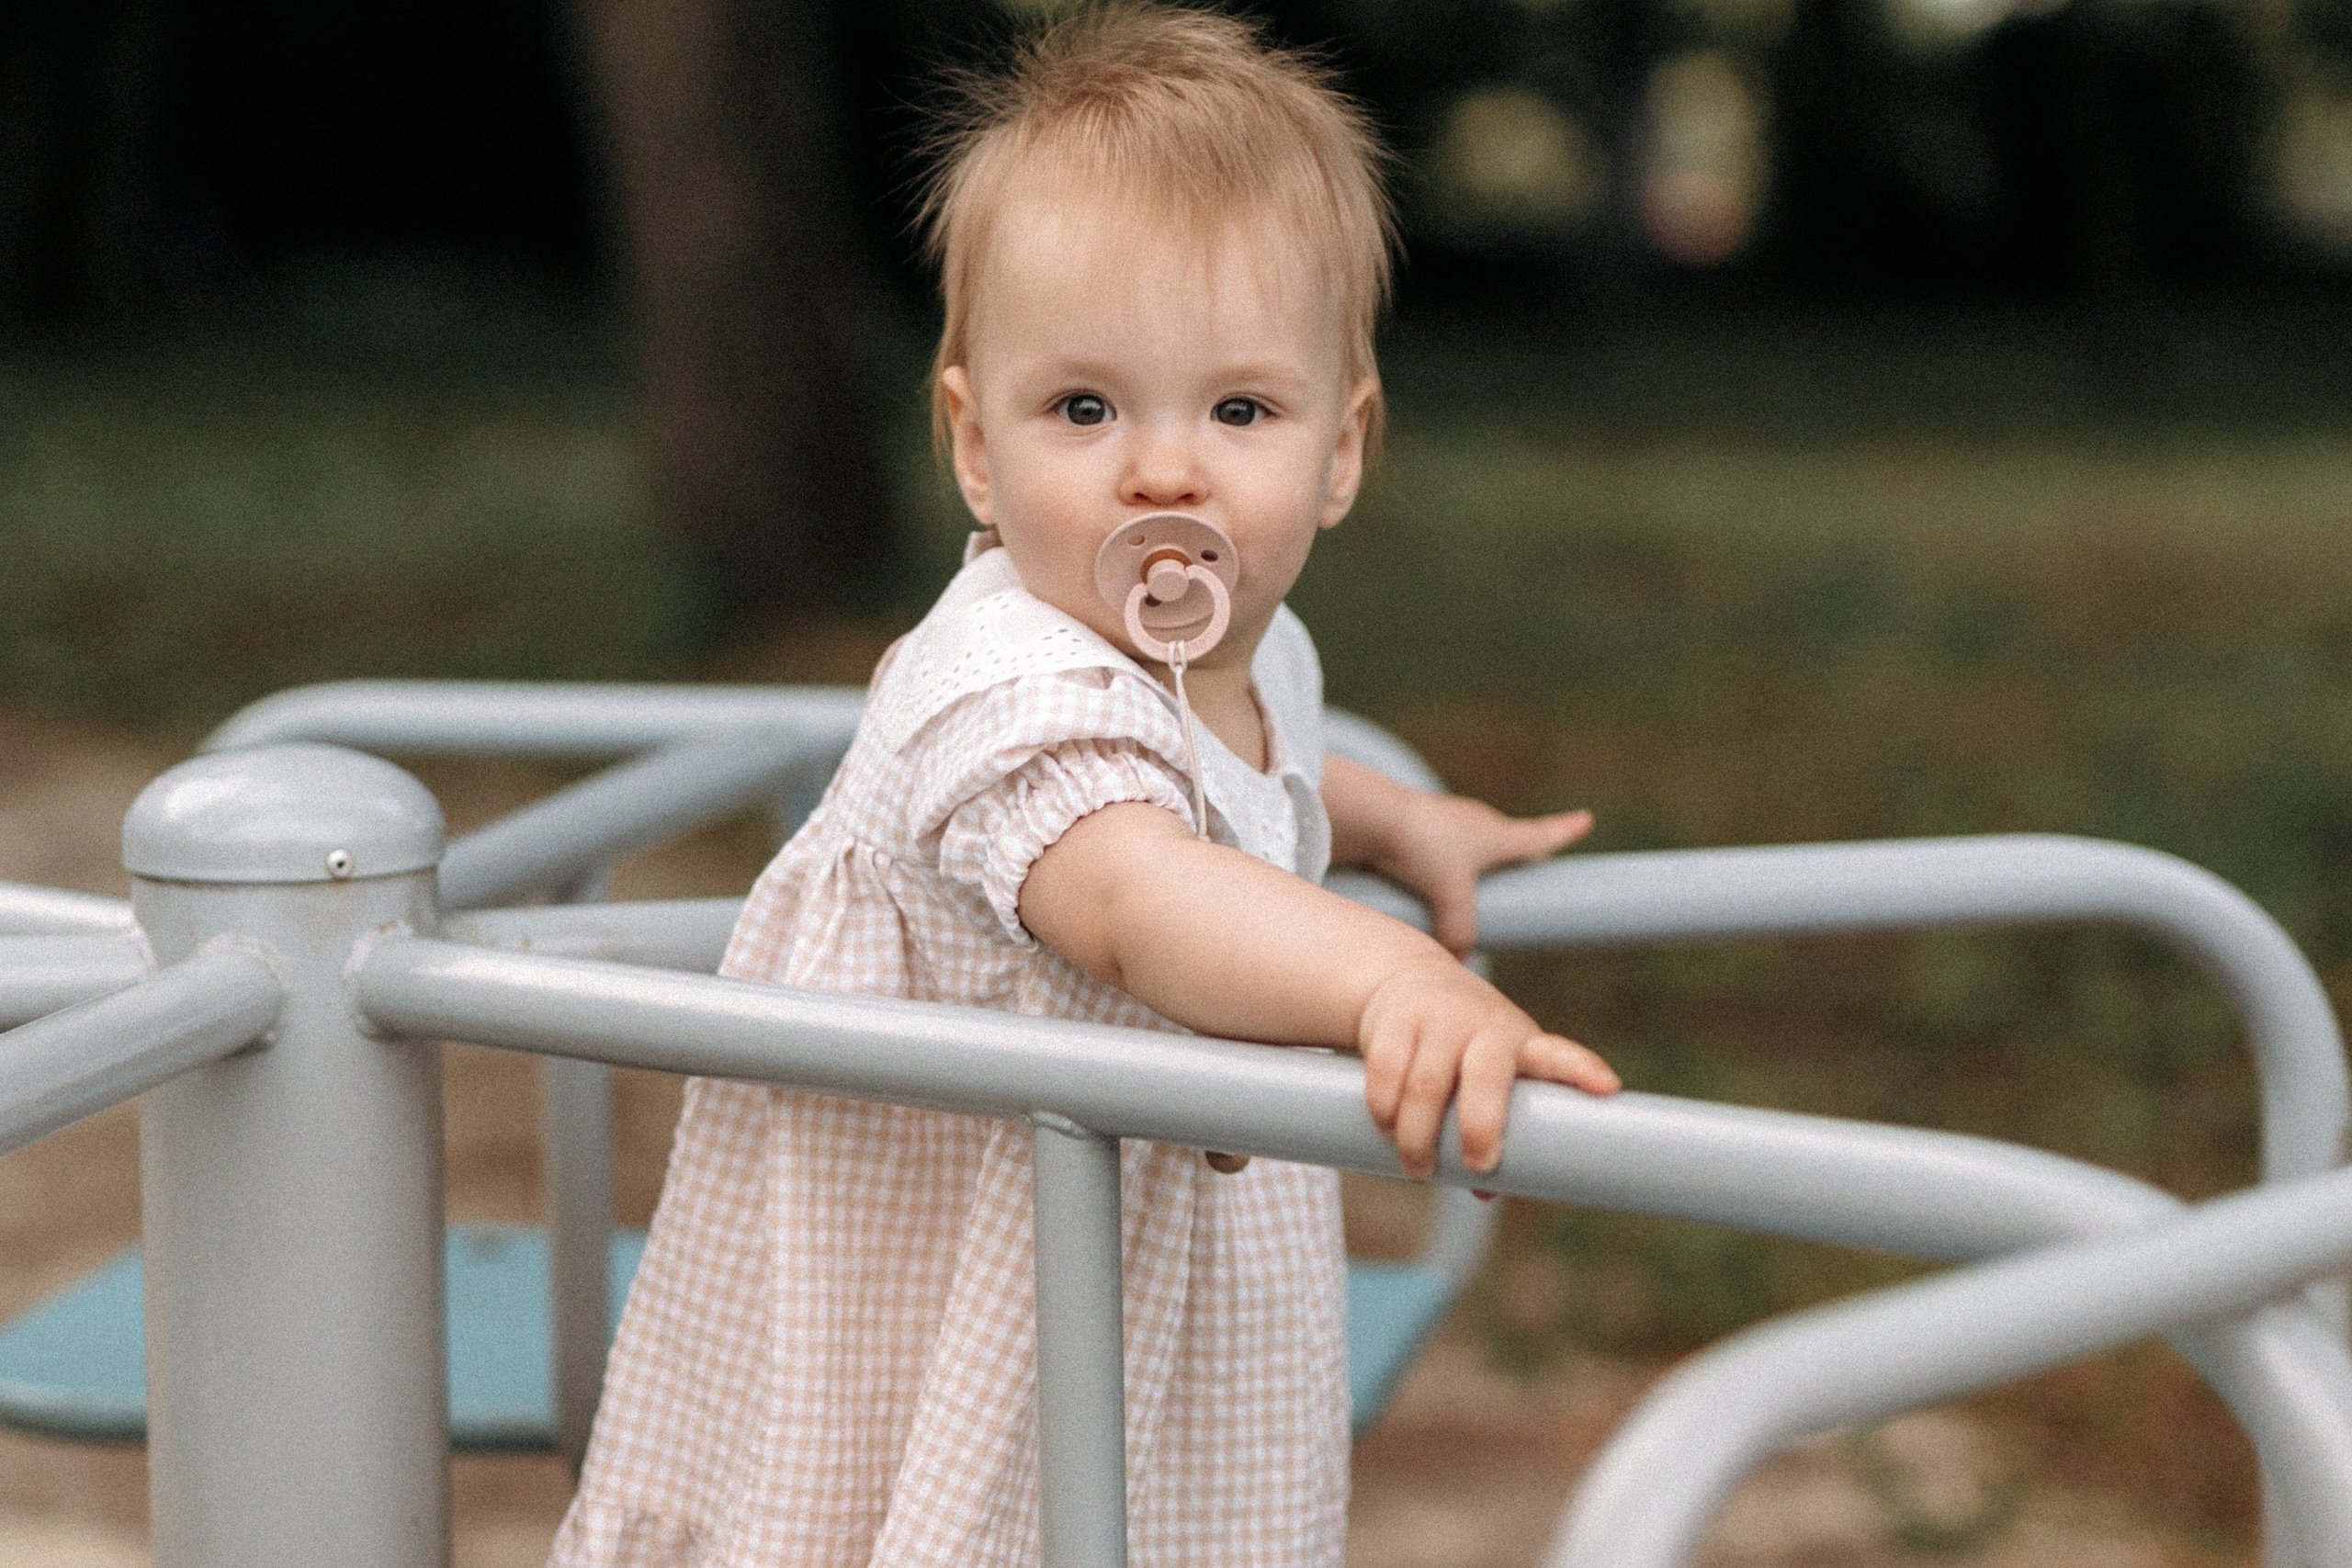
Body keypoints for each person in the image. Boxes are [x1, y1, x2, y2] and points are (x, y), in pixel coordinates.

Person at [548, 6, 1619, 1564]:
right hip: (949, 1313)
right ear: (976, 451)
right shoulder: (1005, 689)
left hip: (1138, 1275)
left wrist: (1392, 820)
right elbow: (1134, 895)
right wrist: (1387, 975)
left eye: (1239, 410)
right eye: (1085, 410)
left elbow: (1261, 774)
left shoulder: (1253, 649)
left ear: (1341, 448)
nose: (1164, 473)